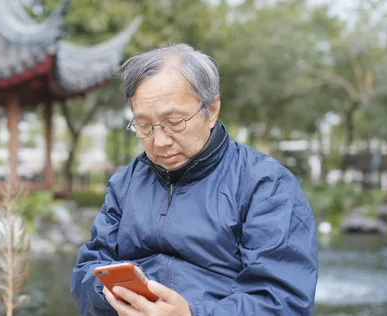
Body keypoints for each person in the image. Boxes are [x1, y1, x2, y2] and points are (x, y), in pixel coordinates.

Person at [70, 43, 318, 316]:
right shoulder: (124, 183)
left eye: (174, 122)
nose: (160, 142)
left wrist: (191, 314)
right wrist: (111, 296)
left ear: (211, 111)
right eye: (144, 126)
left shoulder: (266, 185)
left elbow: (283, 301)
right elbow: (86, 271)